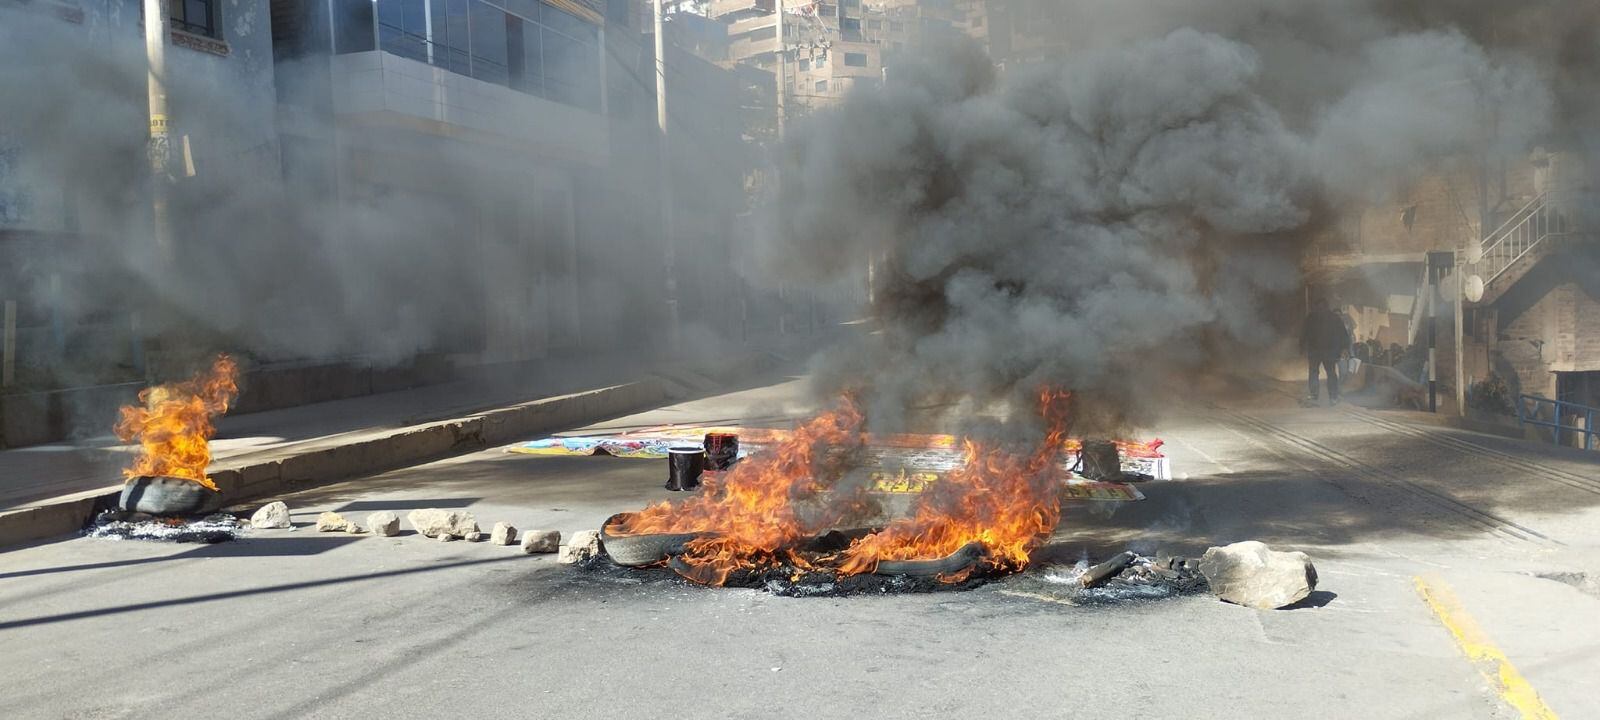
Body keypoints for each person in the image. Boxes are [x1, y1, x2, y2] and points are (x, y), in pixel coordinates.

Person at [1301, 298, 1351, 405]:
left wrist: (1301, 347)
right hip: (1327, 351)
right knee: (1329, 373)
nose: (1319, 309)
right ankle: (1332, 396)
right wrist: (1344, 347)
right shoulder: (1334, 318)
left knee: (1316, 372)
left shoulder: (1312, 317)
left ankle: (1316, 395)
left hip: (1318, 351)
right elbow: (1343, 334)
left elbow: (1304, 333)